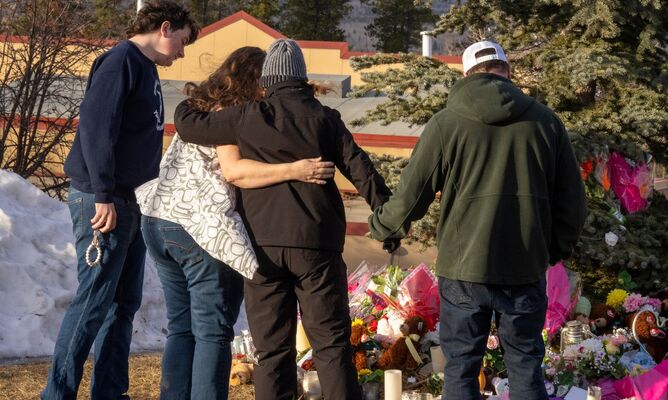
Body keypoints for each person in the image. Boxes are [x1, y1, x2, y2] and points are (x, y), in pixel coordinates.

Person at [173, 38, 393, 400]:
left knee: (271, 350)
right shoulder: (325, 119)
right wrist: (388, 218)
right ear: (302, 78)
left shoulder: (247, 116)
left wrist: (202, 94)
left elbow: (188, 124)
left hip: (263, 247)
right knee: (331, 346)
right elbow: (362, 171)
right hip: (317, 246)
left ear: (268, 80)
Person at [368, 41, 588, 400]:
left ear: (467, 75)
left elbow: (411, 198)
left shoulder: (446, 124)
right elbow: (574, 206)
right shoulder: (546, 123)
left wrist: (382, 226)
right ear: (507, 73)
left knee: (461, 369)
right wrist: (549, 251)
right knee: (524, 367)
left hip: (464, 270)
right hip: (523, 268)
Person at [135, 46, 335, 400]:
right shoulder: (230, 115)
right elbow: (235, 171)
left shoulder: (200, 108)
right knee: (213, 330)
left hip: (158, 218)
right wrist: (297, 169)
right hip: (200, 227)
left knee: (182, 328)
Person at [41, 2, 199, 399]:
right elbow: (96, 130)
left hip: (134, 202)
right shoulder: (120, 62)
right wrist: (103, 195)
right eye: (182, 42)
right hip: (104, 201)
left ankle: (109, 392)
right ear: (165, 28)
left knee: (123, 304)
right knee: (94, 300)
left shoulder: (145, 69)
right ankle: (57, 394)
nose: (182, 53)